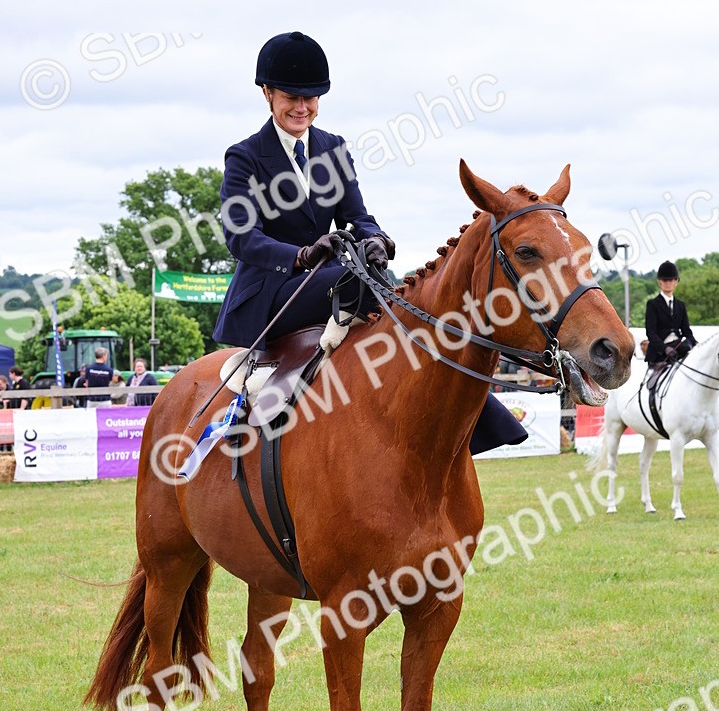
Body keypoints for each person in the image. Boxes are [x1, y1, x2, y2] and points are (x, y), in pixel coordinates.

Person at [212, 30, 526, 456]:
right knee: (353, 281)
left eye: (312, 98)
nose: (302, 108)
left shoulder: (332, 148)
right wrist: (301, 256)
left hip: (329, 280)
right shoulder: (245, 157)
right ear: (266, 93)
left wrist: (375, 239)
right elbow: (241, 238)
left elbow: (357, 216)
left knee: (398, 290)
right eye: (291, 96)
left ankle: (474, 414)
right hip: (272, 291)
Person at [644, 261, 696, 369]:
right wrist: (664, 349)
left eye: (671, 280)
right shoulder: (652, 304)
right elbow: (651, 333)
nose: (668, 283)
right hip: (659, 353)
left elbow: (686, 330)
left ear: (676, 281)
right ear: (659, 282)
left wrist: (691, 342)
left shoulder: (681, 305)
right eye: (664, 280)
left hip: (678, 349)